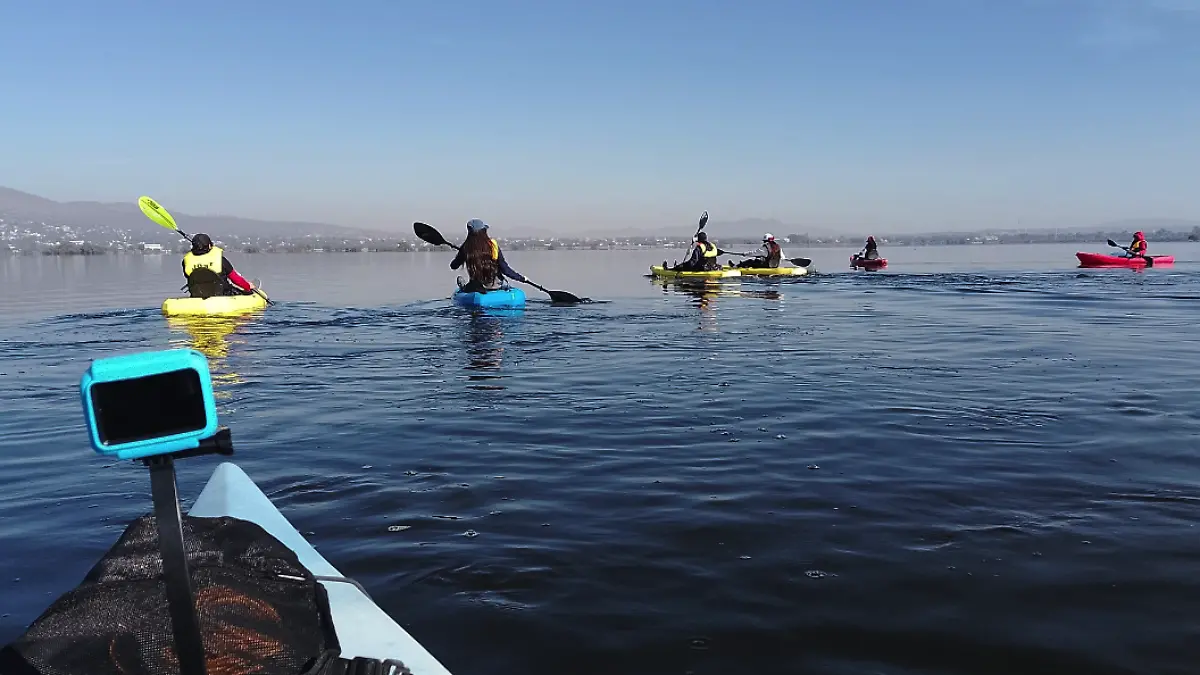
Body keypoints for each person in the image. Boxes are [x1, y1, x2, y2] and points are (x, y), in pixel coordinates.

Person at [450, 219, 531, 292]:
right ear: (484, 232)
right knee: (503, 283)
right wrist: (521, 278)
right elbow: (505, 270)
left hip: (477, 287)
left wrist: (461, 254)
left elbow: (453, 266)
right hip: (497, 285)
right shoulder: (493, 245)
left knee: (461, 280)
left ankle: (464, 287)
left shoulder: (466, 248)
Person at [181, 233, 254, 299]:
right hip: (222, 295)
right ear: (209, 245)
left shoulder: (186, 261)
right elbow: (235, 278)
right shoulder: (220, 260)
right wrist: (247, 286)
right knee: (247, 293)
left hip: (197, 295)